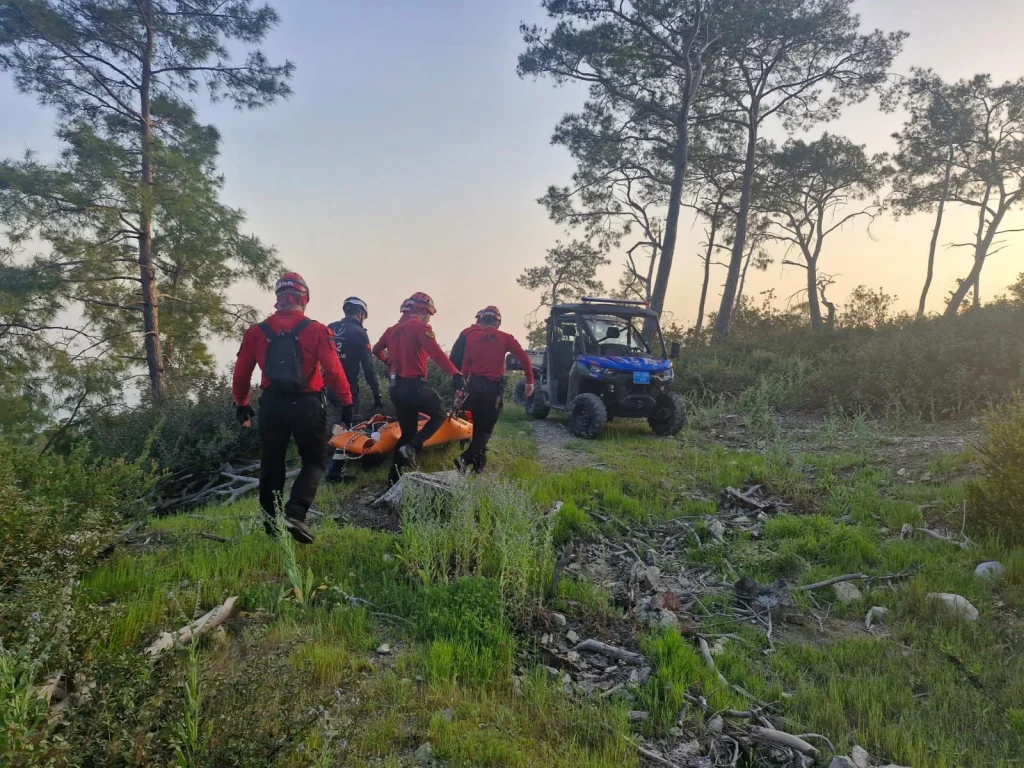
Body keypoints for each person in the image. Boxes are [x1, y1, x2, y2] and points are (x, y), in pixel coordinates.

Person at [232, 272, 354, 544]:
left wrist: (241, 403)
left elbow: (241, 373)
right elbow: (334, 371)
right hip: (307, 404)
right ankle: (296, 514)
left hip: (272, 403)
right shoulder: (317, 330)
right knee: (315, 460)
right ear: (305, 298)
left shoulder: (256, 332)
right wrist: (346, 402)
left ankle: (271, 526)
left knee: (271, 464)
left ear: (278, 299)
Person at [372, 292, 464, 484]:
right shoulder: (421, 328)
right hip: (414, 385)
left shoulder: (392, 330)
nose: (430, 318)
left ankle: (393, 479)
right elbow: (437, 354)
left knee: (407, 432)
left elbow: (375, 350)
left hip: (396, 388)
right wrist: (455, 373)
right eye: (429, 314)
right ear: (423, 311)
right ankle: (414, 446)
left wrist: (389, 362)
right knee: (439, 412)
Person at [455, 306, 533, 474]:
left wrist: (460, 393)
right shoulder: (505, 337)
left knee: (478, 428)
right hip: (492, 388)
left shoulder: (472, 338)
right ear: (498, 322)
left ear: (482, 321)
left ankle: (478, 466)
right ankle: (465, 459)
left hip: (473, 387)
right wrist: (530, 381)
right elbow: (524, 358)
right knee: (486, 429)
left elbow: (465, 367)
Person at [327, 296, 384, 419]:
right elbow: (369, 367)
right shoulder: (359, 332)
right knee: (351, 426)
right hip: (347, 388)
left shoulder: (330, 327)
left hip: (326, 387)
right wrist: (376, 394)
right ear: (361, 314)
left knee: (331, 423)